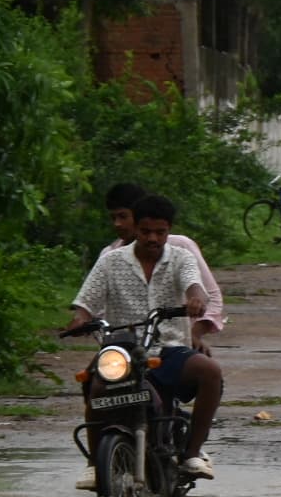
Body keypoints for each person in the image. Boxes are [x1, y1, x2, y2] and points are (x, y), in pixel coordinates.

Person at [68, 192, 222, 481]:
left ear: (169, 230)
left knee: (210, 371)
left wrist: (196, 300)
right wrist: (80, 319)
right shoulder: (110, 261)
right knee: (94, 385)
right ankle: (93, 464)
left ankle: (192, 454)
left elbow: (195, 285)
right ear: (135, 229)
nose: (153, 238)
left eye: (160, 232)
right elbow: (85, 302)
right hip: (122, 350)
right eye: (146, 231)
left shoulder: (181, 257)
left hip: (169, 349)